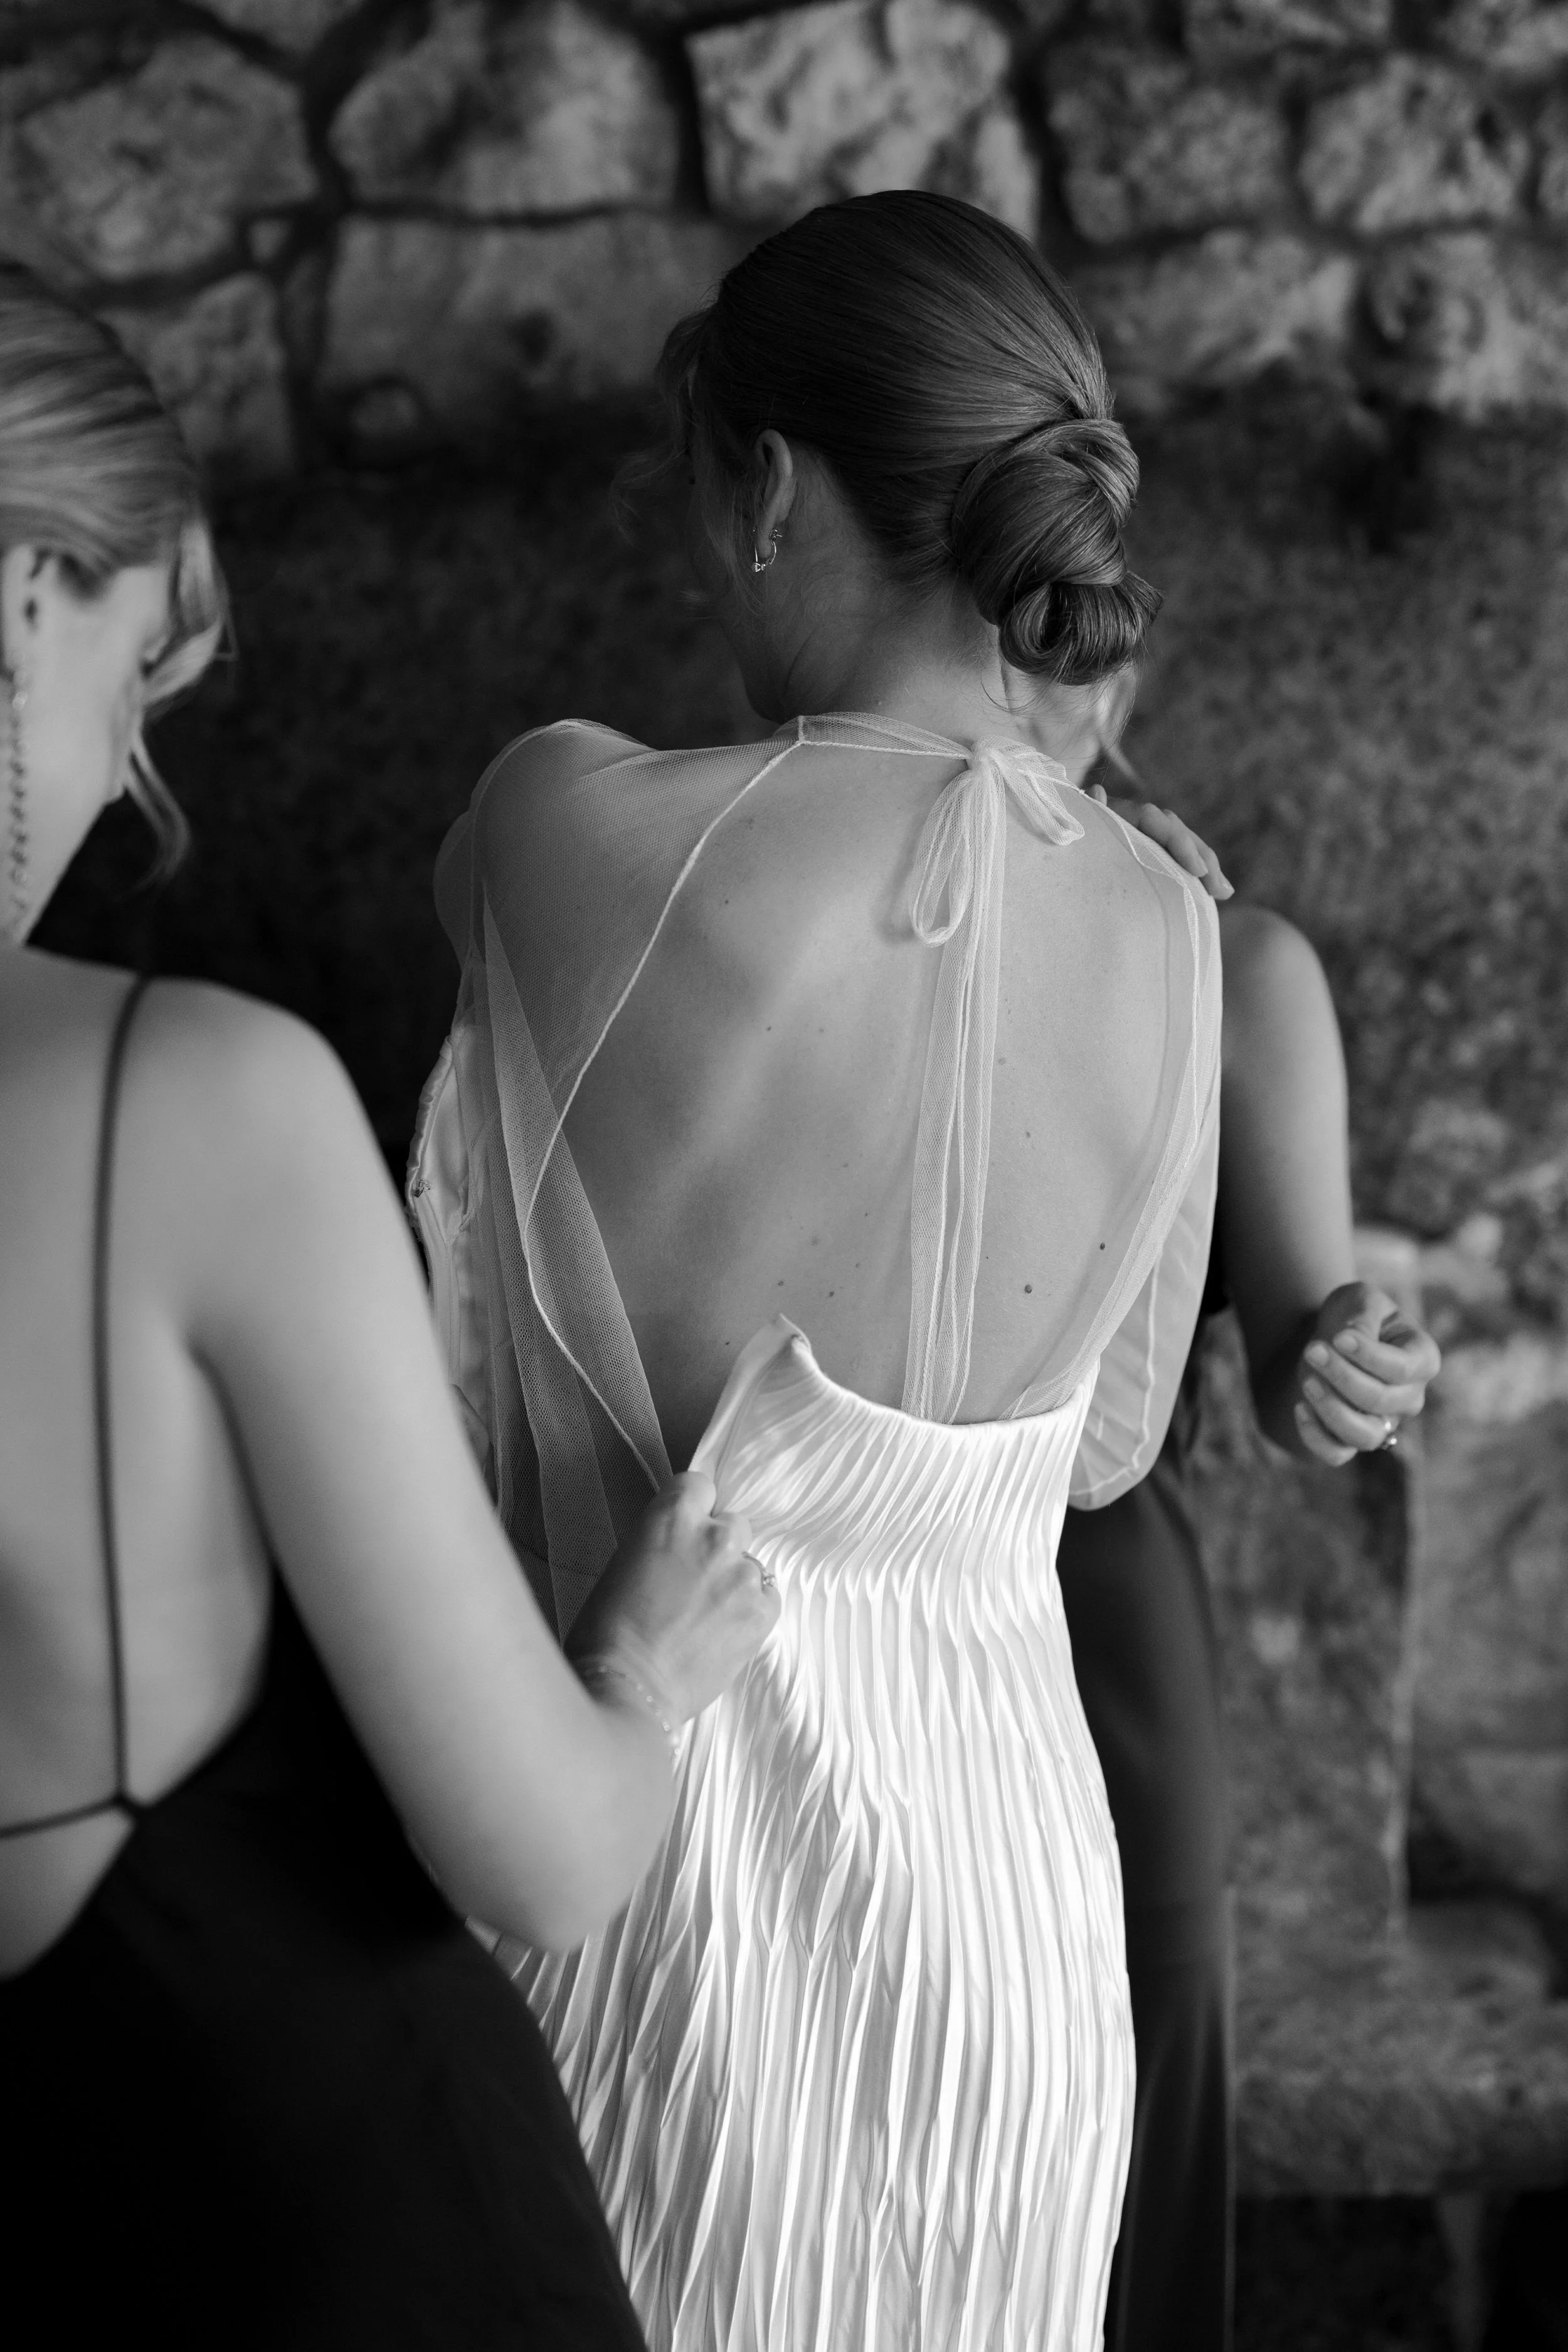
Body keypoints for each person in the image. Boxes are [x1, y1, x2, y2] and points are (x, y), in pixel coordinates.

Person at [411, 191, 1223, 2349]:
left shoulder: (555, 827)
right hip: (1027, 1972)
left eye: (701, 495)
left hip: (661, 1897)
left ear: (763, 487)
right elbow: (1106, 1446)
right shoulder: (1172, 930)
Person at [0, 264, 776, 2348]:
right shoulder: (188, 1105)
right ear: (20, 596)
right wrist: (634, 1677)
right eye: (135, 674)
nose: (123, 775)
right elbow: (544, 1860)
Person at [1056, 886, 1443, 2352]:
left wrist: (1350, 1367)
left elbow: (1296, 1350)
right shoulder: (800, 880)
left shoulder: (1233, 963)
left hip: (1093, 1587)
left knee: (1144, 2067)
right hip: (819, 1577)